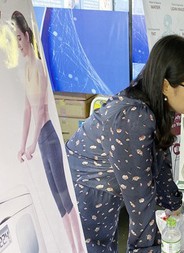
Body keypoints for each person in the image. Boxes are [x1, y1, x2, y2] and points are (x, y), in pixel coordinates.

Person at [66, 35, 184, 252]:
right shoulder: (132, 118)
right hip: (88, 188)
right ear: (167, 85)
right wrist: (148, 248)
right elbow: (140, 200)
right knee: (96, 245)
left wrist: (175, 205)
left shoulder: (156, 104)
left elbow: (160, 165)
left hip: (107, 186)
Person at [13, 10, 86, 253]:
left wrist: (32, 143)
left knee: (66, 197)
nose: (18, 44)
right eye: (15, 39)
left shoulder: (40, 68)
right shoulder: (25, 70)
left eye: (20, 38)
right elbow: (27, 111)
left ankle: (78, 247)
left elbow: (41, 112)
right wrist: (23, 145)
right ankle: (71, 247)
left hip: (49, 139)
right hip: (39, 142)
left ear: (27, 35)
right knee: (57, 201)